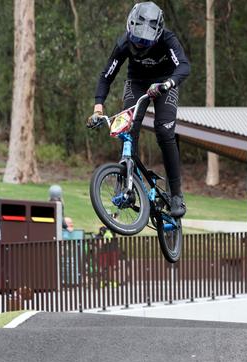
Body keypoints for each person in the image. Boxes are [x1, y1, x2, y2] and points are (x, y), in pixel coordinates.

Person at [87, 1, 190, 218]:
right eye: (136, 40)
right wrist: (98, 108)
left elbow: (183, 65)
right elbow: (106, 76)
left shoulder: (167, 39)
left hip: (164, 84)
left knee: (164, 132)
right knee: (127, 130)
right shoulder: (124, 42)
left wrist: (168, 84)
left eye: (145, 42)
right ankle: (125, 183)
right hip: (136, 82)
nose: (140, 46)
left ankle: (177, 195)